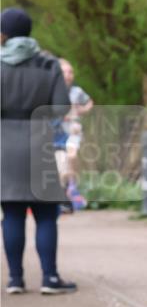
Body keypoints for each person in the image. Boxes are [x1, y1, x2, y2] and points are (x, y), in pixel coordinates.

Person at [0, 7, 77, 294]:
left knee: (12, 214)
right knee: (46, 213)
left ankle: (15, 280)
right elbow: (61, 107)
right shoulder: (48, 64)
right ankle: (49, 278)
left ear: (4, 34)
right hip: (39, 142)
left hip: (5, 145)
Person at [58, 58, 92, 211]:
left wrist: (81, 111)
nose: (68, 75)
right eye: (64, 71)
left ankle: (72, 187)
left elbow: (90, 102)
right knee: (61, 165)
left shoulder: (77, 92)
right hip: (57, 133)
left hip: (73, 130)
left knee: (71, 156)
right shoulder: (53, 91)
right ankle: (66, 191)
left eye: (70, 72)